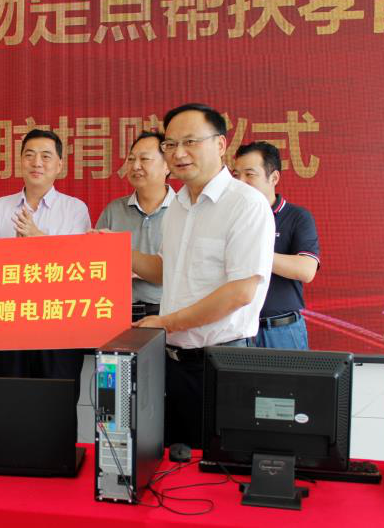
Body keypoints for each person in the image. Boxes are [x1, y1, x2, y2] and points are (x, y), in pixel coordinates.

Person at [131, 104, 275, 448]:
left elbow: (240, 292)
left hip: (220, 364)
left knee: (215, 466)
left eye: (191, 142)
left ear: (221, 144)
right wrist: (113, 251)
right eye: (170, 144)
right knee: (171, 461)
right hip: (173, 363)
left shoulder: (246, 205)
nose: (179, 153)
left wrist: (166, 322)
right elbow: (166, 270)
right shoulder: (178, 207)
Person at [0, 128, 91, 401]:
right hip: (11, 323)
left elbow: (79, 267)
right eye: (29, 155)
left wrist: (37, 238)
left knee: (57, 405)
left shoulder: (75, 209)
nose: (36, 163)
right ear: (20, 161)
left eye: (45, 156)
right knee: (11, 403)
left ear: (59, 165)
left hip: (60, 326)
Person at [232, 141, 320, 350]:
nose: (240, 182)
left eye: (249, 174)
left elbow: (306, 270)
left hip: (281, 331)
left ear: (274, 178)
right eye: (236, 175)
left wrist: (254, 254)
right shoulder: (229, 217)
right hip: (235, 330)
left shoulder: (297, 216)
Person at [95, 131, 175, 322]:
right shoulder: (114, 210)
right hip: (116, 313)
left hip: (166, 314)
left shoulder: (182, 210)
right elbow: (96, 263)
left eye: (144, 159)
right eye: (131, 159)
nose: (135, 166)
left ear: (167, 165)